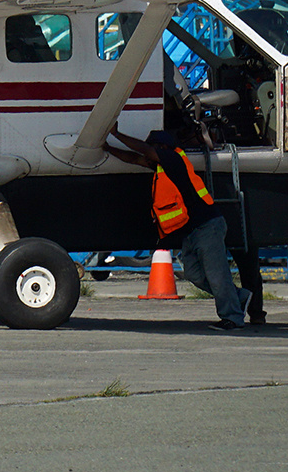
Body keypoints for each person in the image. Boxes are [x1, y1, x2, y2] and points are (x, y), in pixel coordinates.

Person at [106, 124, 250, 330]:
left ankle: (233, 318)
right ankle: (238, 297)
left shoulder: (173, 159)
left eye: (152, 148)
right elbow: (133, 158)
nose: (148, 155)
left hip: (207, 226)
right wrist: (106, 148)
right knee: (193, 274)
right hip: (192, 231)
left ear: (161, 148)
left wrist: (117, 133)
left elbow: (143, 152)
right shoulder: (162, 166)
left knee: (217, 276)